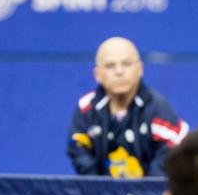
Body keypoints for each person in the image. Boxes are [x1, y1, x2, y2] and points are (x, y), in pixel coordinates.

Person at [68, 36, 188, 178]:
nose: (119, 72)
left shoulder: (157, 107)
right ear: (97, 74)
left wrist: (147, 189)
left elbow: (173, 148)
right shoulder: (86, 108)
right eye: (110, 66)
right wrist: (99, 188)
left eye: (126, 64)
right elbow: (77, 149)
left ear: (140, 69)